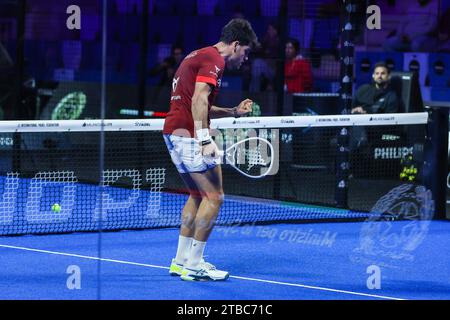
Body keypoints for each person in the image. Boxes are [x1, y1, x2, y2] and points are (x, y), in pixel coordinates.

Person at [162, 18, 258, 281]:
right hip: (190, 135)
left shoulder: (199, 55)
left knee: (196, 195)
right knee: (214, 198)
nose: (245, 59)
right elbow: (200, 99)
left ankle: (181, 261)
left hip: (173, 132)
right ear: (237, 45)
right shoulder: (215, 59)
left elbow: (196, 101)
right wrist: (204, 139)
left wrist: (232, 112)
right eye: (246, 52)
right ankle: (194, 264)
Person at [350, 62, 402, 151]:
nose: (379, 76)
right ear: (373, 75)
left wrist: (367, 114)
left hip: (376, 130)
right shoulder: (363, 89)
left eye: (383, 73)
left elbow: (389, 121)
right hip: (356, 123)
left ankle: (359, 146)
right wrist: (354, 110)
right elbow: (350, 109)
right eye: (377, 73)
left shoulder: (392, 96)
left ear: (388, 76)